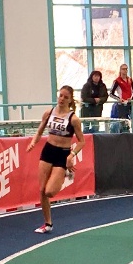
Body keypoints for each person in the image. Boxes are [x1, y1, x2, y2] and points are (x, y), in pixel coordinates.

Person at [26, 85, 85, 234]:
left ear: (70, 100)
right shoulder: (49, 112)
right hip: (48, 150)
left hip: (62, 154)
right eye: (60, 95)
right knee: (41, 190)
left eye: (66, 97)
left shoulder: (73, 119)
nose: (62, 99)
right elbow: (39, 131)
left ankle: (65, 173)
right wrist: (34, 141)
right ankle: (48, 223)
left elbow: (81, 141)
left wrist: (71, 156)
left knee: (50, 192)